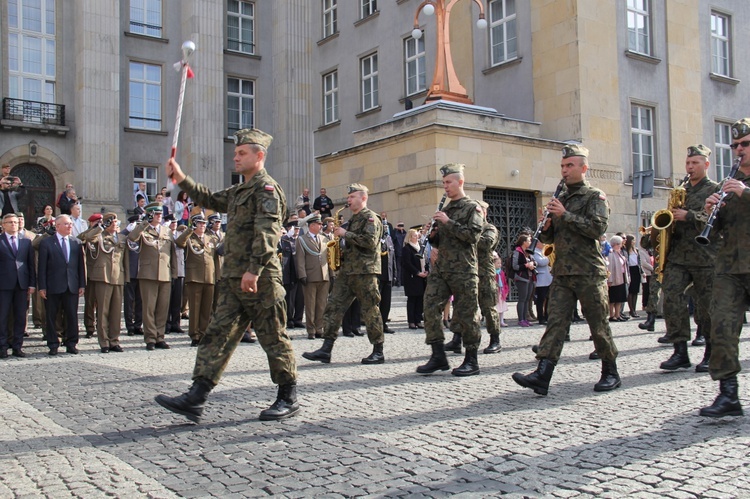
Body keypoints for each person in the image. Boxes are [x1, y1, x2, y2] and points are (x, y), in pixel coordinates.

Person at [157, 127, 299, 422]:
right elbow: (209, 198)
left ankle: (288, 395)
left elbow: (269, 232)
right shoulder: (240, 190)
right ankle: (197, 395)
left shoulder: (266, 189)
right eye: (235, 152)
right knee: (217, 334)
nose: (235, 157)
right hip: (235, 277)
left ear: (259, 156)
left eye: (241, 153)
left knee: (273, 336)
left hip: (259, 278)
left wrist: (253, 269)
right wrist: (181, 178)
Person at [512, 144, 621, 396]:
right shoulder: (560, 197)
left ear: (584, 168)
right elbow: (550, 239)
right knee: (556, 322)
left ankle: (610, 371)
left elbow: (597, 228)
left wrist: (566, 214)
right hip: (562, 271)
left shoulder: (595, 196)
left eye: (570, 165)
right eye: (562, 166)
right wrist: (548, 224)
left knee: (598, 323)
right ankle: (543, 373)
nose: (565, 170)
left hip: (588, 271)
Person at [699, 119, 750, 418]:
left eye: (745, 144)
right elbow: (715, 232)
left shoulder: (738, 187)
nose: (739, 150)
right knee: (721, 327)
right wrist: (711, 212)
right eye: (735, 146)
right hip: (730, 267)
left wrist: (744, 192)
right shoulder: (725, 185)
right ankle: (728, 393)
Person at [303, 183, 385, 365]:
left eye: (352, 197)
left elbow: (370, 242)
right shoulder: (353, 219)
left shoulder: (370, 218)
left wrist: (346, 234)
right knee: (333, 306)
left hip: (365, 271)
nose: (348, 200)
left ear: (363, 198)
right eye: (348, 197)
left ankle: (378, 350)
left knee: (370, 310)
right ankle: (326, 349)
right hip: (347, 272)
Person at [416, 163, 484, 376]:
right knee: (429, 307)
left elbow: (473, 237)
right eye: (444, 183)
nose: (445, 186)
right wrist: (433, 235)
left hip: (464, 269)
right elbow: (441, 243)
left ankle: (471, 360)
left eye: (449, 182)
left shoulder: (473, 207)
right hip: (442, 268)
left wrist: (448, 222)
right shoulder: (445, 209)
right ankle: (438, 355)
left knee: (467, 314)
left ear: (460, 182)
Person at [657, 145, 719, 373]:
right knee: (671, 295)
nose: (690, 167)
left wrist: (689, 215)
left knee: (707, 307)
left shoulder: (716, 189)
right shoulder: (681, 190)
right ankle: (679, 350)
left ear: (706, 165)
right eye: (688, 163)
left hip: (706, 257)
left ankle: (712, 352)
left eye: (695, 163)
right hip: (679, 256)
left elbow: (717, 220)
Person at [127, 202, 176, 350]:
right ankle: (150, 338)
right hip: (148, 274)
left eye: (160, 213)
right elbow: (132, 238)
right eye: (155, 213)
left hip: (165, 273)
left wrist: (173, 272)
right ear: (149, 215)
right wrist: (143, 223)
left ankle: (160, 336)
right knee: (148, 308)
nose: (159, 216)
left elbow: (172, 253)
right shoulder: (143, 229)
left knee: (162, 308)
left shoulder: (167, 231)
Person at [78, 213, 127, 353]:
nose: (115, 224)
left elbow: (125, 259)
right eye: (111, 222)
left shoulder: (122, 237)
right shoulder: (99, 235)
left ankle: (114, 340)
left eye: (116, 222)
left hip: (118, 276)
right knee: (103, 311)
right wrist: (101, 227)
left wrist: (126, 277)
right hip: (103, 276)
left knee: (116, 312)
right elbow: (86, 238)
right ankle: (104, 341)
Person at [38, 214, 86, 355]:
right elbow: (42, 267)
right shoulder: (47, 243)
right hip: (53, 285)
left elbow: (80, 266)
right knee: (52, 316)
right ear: (57, 226)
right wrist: (42, 286)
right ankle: (53, 343)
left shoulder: (76, 242)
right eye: (66, 224)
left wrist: (82, 284)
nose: (69, 226)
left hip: (71, 285)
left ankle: (71, 342)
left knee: (72, 315)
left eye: (70, 224)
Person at [176, 214, 219, 347]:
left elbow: (217, 255)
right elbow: (179, 242)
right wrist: (190, 229)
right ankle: (195, 335)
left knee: (207, 308)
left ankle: (204, 332)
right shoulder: (190, 238)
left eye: (204, 223)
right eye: (199, 223)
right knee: (195, 308)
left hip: (209, 276)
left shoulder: (210, 238)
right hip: (195, 276)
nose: (202, 225)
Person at [0, 213, 35, 358]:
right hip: (3, 284)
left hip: (22, 284)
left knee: (20, 316)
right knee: (3, 316)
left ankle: (17, 346)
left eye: (15, 222)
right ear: (3, 225)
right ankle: (2, 346)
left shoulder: (26, 242)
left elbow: (31, 264)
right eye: (10, 222)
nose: (14, 224)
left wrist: (32, 284)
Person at [294, 213, 329, 339]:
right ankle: (311, 330)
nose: (321, 226)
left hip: (323, 276)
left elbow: (327, 258)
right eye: (319, 224)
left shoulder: (324, 238)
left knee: (322, 304)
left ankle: (320, 328)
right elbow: (300, 259)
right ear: (312, 225)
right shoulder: (302, 239)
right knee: (310, 304)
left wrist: (330, 274)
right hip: (310, 275)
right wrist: (302, 275)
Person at [476, 201, 502, 354]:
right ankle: (458, 338)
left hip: (484, 273)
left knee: (488, 308)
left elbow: (486, 243)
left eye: (479, 211)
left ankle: (495, 339)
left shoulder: (489, 228)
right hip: (469, 273)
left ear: (485, 213)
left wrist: (470, 234)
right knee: (466, 307)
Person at [402, 229, 427, 329]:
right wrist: (417, 273)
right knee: (412, 299)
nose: (417, 237)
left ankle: (418, 320)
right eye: (415, 236)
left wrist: (426, 270)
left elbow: (424, 260)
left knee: (420, 299)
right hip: (412, 277)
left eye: (418, 236)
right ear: (410, 237)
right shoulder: (407, 249)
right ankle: (411, 321)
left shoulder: (420, 247)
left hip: (422, 277)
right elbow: (407, 264)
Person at [512, 233, 536, 327]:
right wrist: (526, 265)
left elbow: (535, 261)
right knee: (522, 299)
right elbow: (515, 266)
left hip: (530, 277)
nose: (530, 242)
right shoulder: (517, 252)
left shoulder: (528, 251)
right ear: (524, 242)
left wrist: (533, 264)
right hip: (522, 278)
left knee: (527, 299)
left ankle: (525, 318)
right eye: (529, 240)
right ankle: (521, 319)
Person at [607, 235, 629, 322]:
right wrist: (610, 280)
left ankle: (618, 314)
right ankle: (612, 315)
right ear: (615, 244)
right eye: (619, 244)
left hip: (621, 278)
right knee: (612, 299)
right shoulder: (611, 253)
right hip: (614, 279)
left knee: (619, 298)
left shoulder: (619, 253)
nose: (621, 245)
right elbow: (610, 268)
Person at [532, 240, 552, 326]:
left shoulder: (542, 251)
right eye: (542, 243)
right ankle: (541, 317)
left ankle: (547, 315)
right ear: (537, 244)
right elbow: (541, 262)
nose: (544, 244)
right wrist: (550, 256)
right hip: (541, 279)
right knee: (541, 299)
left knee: (547, 298)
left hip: (547, 278)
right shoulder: (535, 252)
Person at [624, 234, 641, 318]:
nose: (634, 241)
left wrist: (642, 271)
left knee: (635, 291)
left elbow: (639, 261)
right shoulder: (625, 250)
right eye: (633, 240)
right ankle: (631, 310)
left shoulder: (636, 250)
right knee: (630, 291)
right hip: (629, 269)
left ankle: (634, 308)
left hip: (636, 270)